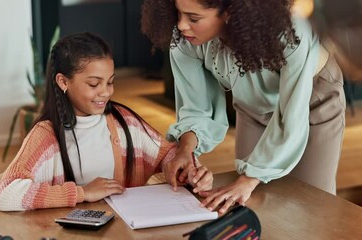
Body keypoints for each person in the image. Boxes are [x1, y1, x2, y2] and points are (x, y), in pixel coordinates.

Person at [141, 0, 346, 214]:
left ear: (230, 13)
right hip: (253, 107)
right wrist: (185, 150)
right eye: (178, 13)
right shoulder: (184, 38)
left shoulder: (291, 29)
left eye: (194, 18)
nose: (182, 25)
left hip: (313, 102)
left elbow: (292, 117)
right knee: (250, 204)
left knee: (312, 207)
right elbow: (196, 109)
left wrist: (248, 179)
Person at [0, 32, 212, 211]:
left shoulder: (123, 121)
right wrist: (82, 193)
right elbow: (6, 195)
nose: (106, 92)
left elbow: (167, 155)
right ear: (63, 81)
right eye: (93, 84)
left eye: (110, 82)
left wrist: (189, 171)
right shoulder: (46, 135)